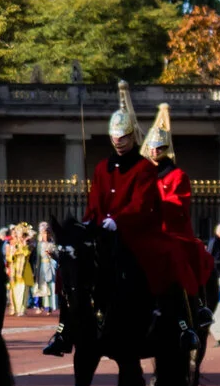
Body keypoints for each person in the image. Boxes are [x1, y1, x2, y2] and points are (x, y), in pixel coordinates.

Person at [82, 86, 192, 348]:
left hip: (136, 231)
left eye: (124, 137)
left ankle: (180, 321)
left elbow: (141, 204)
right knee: (74, 263)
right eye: (115, 137)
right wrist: (90, 221)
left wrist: (118, 220)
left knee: (166, 257)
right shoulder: (101, 168)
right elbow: (95, 200)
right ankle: (67, 327)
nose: (118, 142)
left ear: (132, 137)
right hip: (104, 229)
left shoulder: (144, 169)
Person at [142, 105, 216, 331]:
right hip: (144, 233)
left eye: (159, 148)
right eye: (152, 148)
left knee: (186, 258)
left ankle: (198, 305)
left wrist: (157, 202)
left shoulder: (177, 176)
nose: (154, 152)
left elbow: (179, 204)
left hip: (171, 233)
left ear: (165, 149)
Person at [5, 223, 35, 318]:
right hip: (14, 270)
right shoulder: (12, 244)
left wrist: (24, 244)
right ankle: (16, 309)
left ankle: (22, 310)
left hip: (24, 270)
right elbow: (9, 258)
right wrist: (13, 253)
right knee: (14, 290)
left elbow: (27, 253)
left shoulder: (28, 244)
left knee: (23, 291)